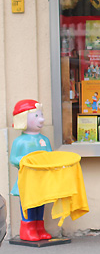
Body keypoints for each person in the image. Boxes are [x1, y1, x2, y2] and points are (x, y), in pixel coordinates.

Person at [9, 99, 53, 242]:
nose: (41, 119)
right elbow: (14, 158)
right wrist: (25, 161)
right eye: (36, 116)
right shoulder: (20, 142)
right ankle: (27, 228)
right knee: (28, 203)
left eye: (41, 115)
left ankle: (39, 227)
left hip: (41, 178)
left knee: (41, 203)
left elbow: (49, 155)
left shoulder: (44, 140)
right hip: (27, 179)